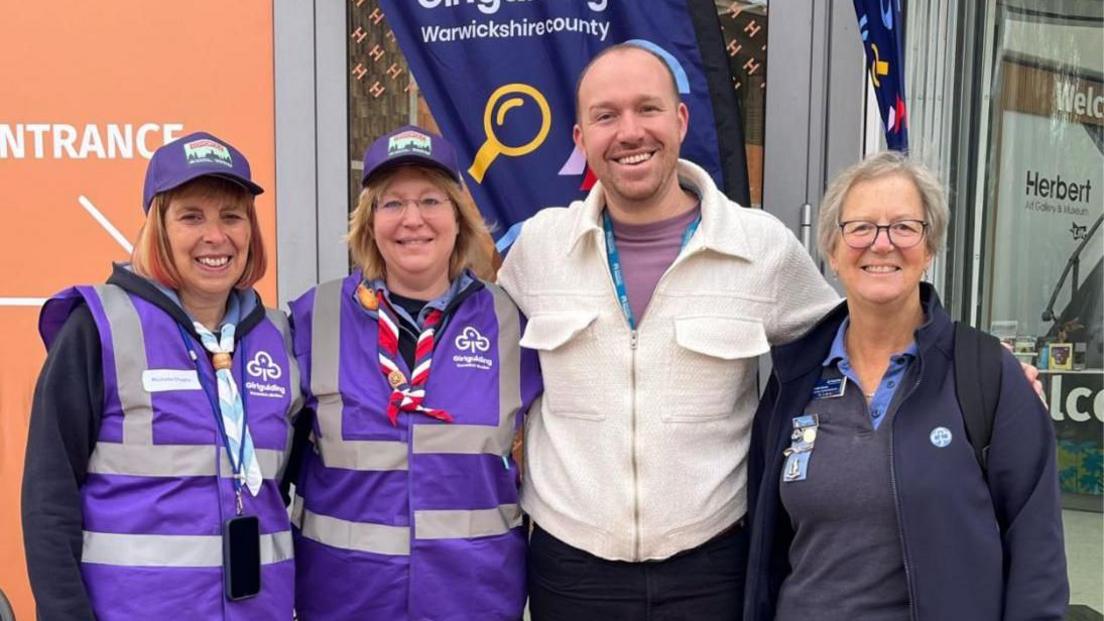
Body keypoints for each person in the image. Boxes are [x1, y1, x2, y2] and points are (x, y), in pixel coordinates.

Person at [497, 43, 841, 618]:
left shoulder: (759, 247)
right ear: (581, 139)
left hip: (714, 562)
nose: (629, 132)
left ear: (680, 121)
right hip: (570, 565)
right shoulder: (538, 248)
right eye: (605, 116)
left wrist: (974, 377)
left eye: (648, 109)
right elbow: (463, 346)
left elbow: (854, 355)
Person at [743, 152, 1068, 620]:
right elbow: (765, 547)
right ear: (832, 252)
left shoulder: (985, 375)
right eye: (860, 228)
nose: (881, 244)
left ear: (929, 248)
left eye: (903, 227)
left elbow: (1037, 553)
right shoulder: (795, 379)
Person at [22, 131, 301, 619]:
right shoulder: (101, 326)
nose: (216, 236)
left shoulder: (279, 337)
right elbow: (50, 495)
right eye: (191, 216)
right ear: (159, 226)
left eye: (232, 217)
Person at [287, 125, 541, 620]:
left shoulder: (512, 322)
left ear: (458, 217)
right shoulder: (310, 319)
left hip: (473, 599)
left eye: (430, 200)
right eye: (392, 204)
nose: (412, 220)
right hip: (343, 600)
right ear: (369, 221)